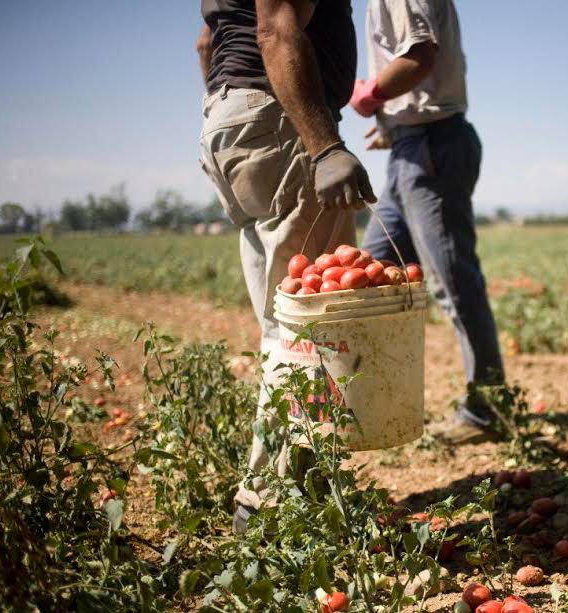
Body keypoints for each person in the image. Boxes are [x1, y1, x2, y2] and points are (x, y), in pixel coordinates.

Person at [196, 0, 375, 534]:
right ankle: (271, 504)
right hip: (279, 117)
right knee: (310, 328)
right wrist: (324, 146)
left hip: (229, 117)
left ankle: (293, 489)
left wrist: (238, 113)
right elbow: (275, 28)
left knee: (283, 324)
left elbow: (206, 44)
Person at [349, 0, 504, 445]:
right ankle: (371, 403)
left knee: (454, 284)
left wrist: (370, 95)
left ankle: (487, 410)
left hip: (432, 146)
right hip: (412, 146)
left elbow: (419, 57)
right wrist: (395, 124)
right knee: (370, 275)